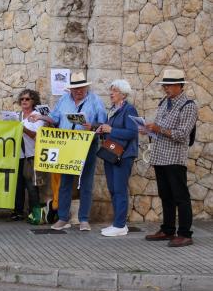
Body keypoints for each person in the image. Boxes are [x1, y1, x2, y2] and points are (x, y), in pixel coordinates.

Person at [29, 72, 107, 231]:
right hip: (67, 145)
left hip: (87, 144)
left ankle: (84, 219)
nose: (79, 91)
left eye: (82, 87)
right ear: (71, 89)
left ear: (86, 87)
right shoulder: (64, 100)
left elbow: (103, 123)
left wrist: (92, 125)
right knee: (65, 182)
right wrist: (40, 118)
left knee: (86, 182)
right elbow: (55, 118)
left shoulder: (95, 100)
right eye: (76, 88)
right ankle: (63, 218)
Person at [143, 68, 198, 247]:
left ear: (180, 86)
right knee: (165, 195)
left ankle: (185, 234)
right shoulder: (164, 102)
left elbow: (182, 135)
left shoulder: (188, 106)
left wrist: (159, 129)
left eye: (169, 85)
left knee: (180, 197)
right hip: (159, 156)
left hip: (175, 158)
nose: (166, 88)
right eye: (164, 85)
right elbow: (160, 128)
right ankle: (167, 230)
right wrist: (148, 129)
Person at [93, 80, 139, 237]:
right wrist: (102, 129)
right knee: (113, 189)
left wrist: (111, 129)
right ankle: (117, 223)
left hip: (124, 155)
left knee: (119, 189)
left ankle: (120, 225)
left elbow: (132, 132)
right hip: (111, 153)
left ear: (123, 94)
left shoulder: (129, 109)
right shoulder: (113, 110)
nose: (111, 93)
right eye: (111, 90)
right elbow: (111, 131)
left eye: (115, 91)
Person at [13, 89, 46, 224]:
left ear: (33, 101)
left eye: (27, 99)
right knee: (18, 186)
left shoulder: (37, 116)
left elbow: (37, 136)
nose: (24, 101)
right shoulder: (17, 115)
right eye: (22, 99)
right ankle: (18, 212)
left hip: (31, 155)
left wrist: (23, 129)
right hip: (18, 156)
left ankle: (35, 214)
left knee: (32, 186)